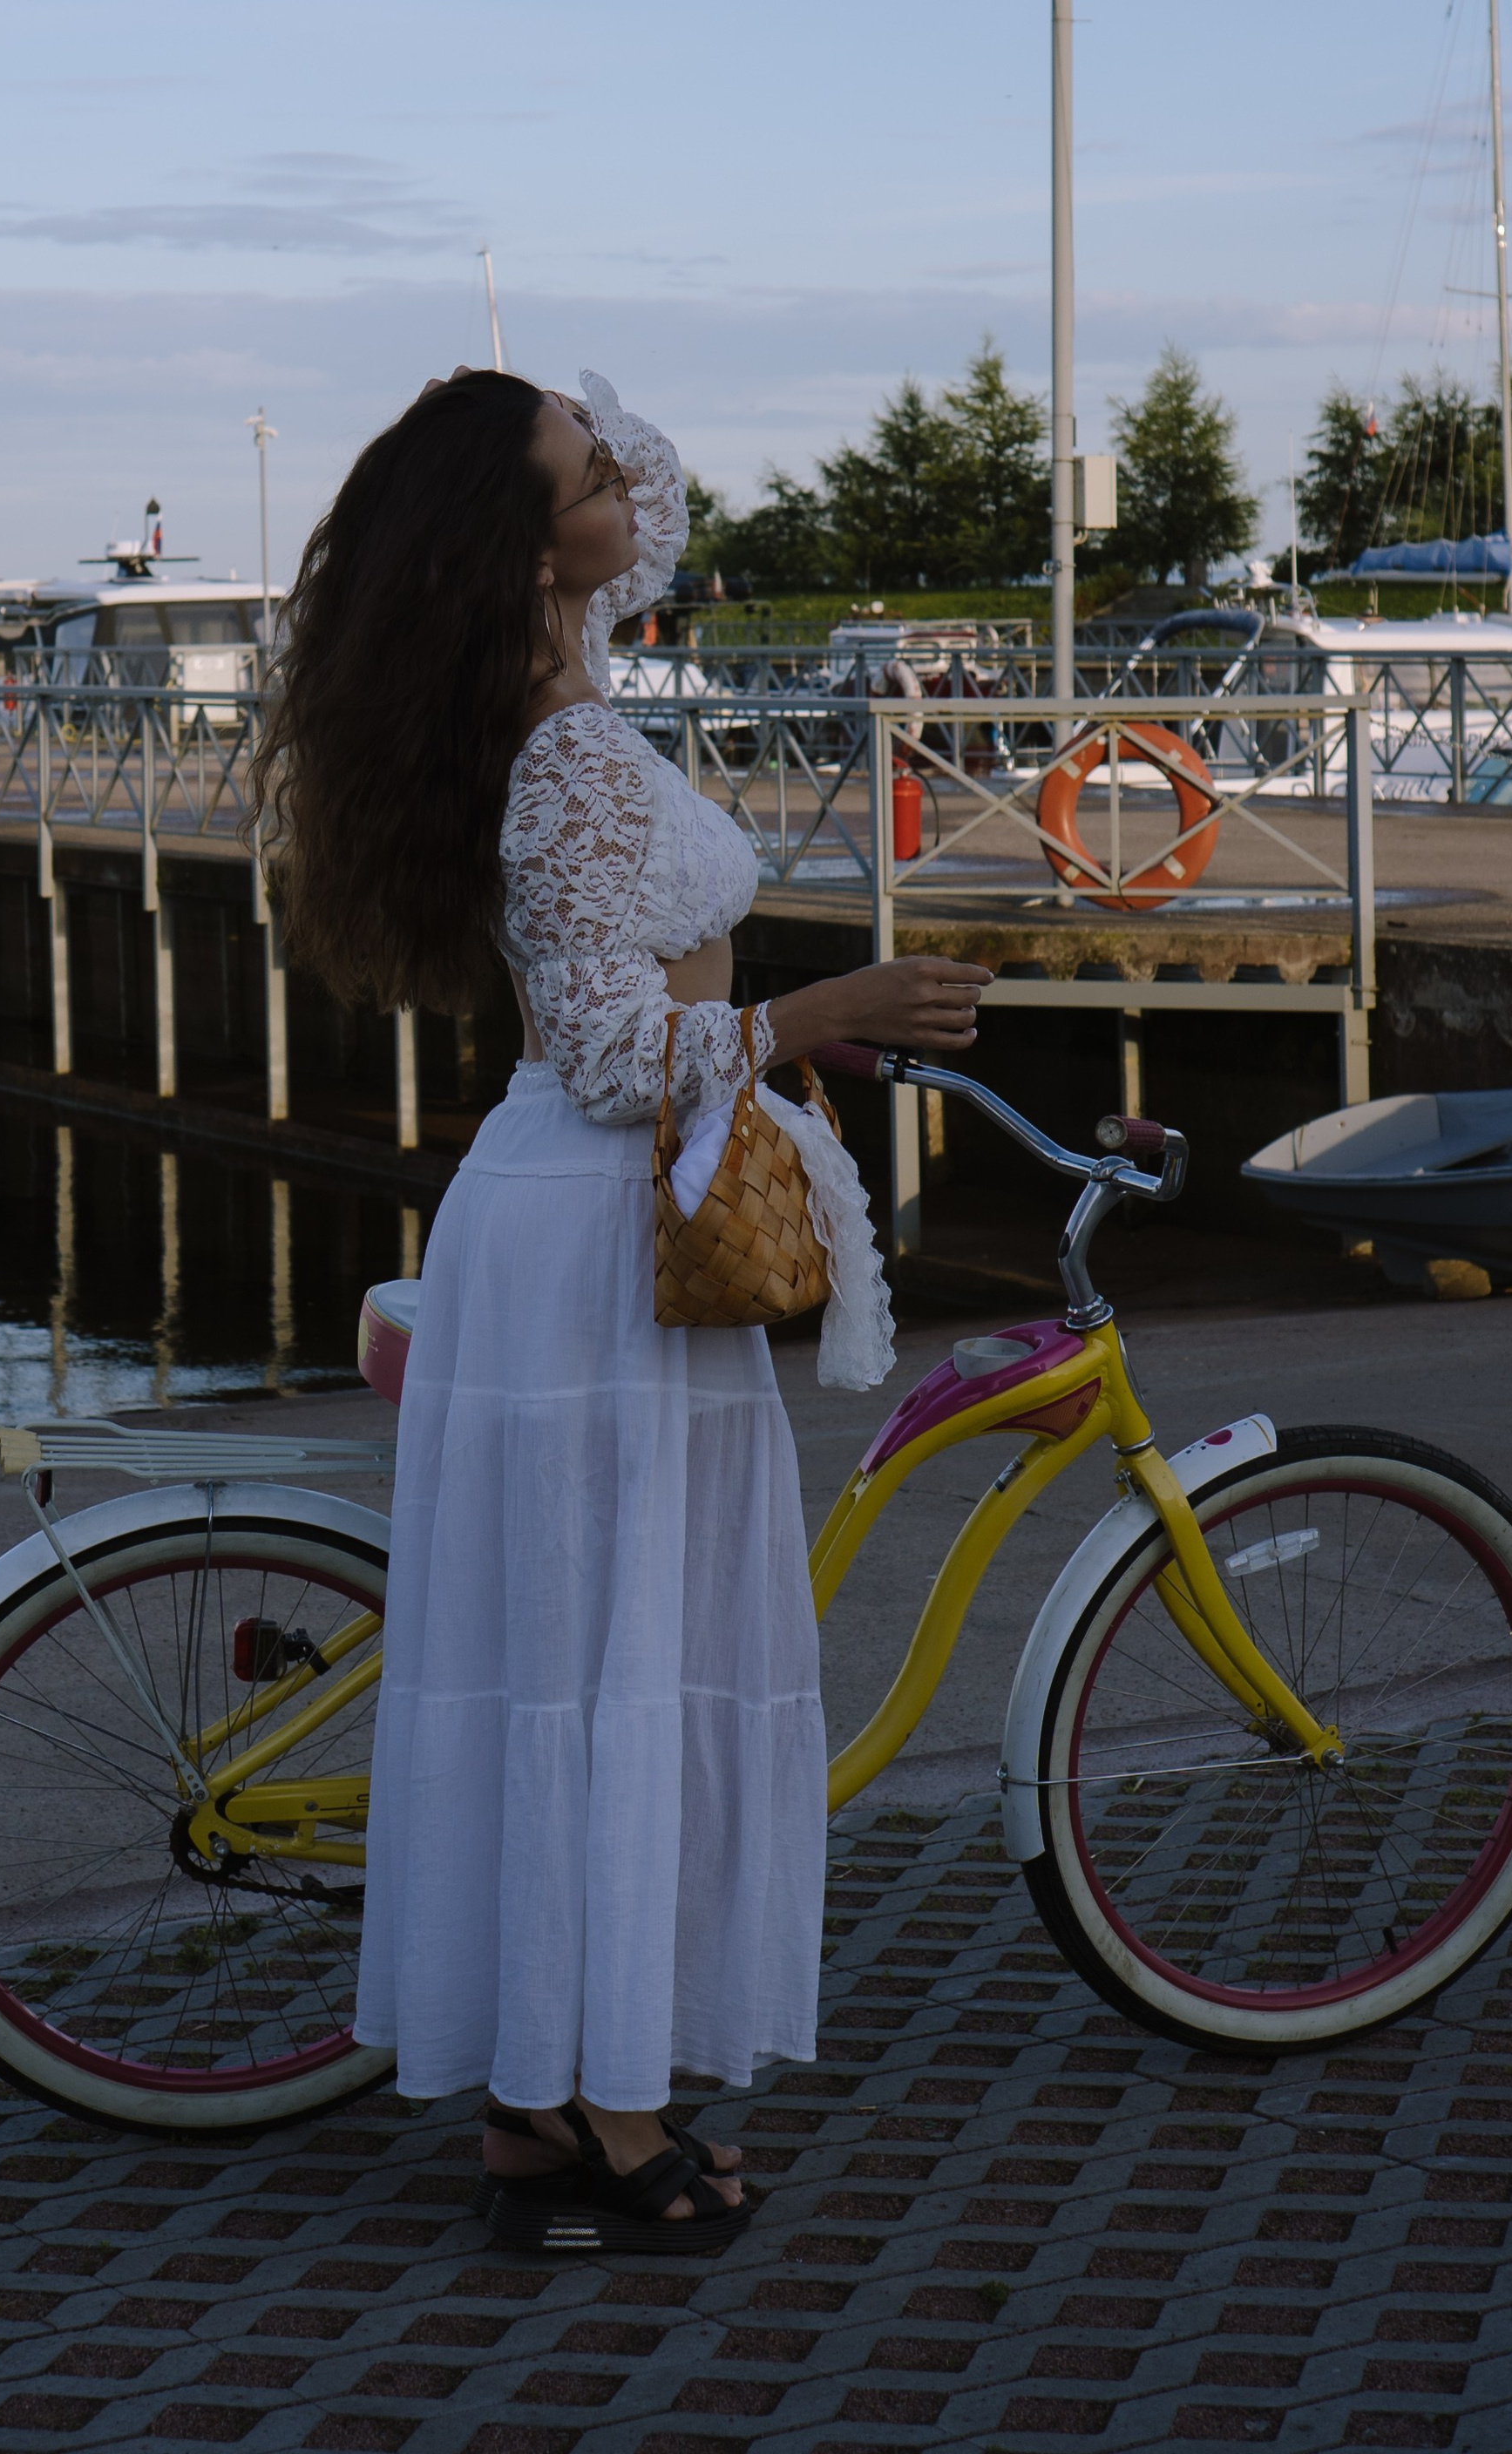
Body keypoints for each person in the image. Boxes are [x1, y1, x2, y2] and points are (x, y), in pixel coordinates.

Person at [255, 369, 989, 2254]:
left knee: (580, 1655)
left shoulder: (551, 680)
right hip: (594, 1231)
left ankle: (538, 2108)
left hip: (581, 1223)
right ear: (527, 547)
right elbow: (604, 1051)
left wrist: (538, 433)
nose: (627, 491)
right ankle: (603, 2105)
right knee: (607, 1664)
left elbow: (644, 502)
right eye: (582, 478)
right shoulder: (568, 752)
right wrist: (829, 1011)